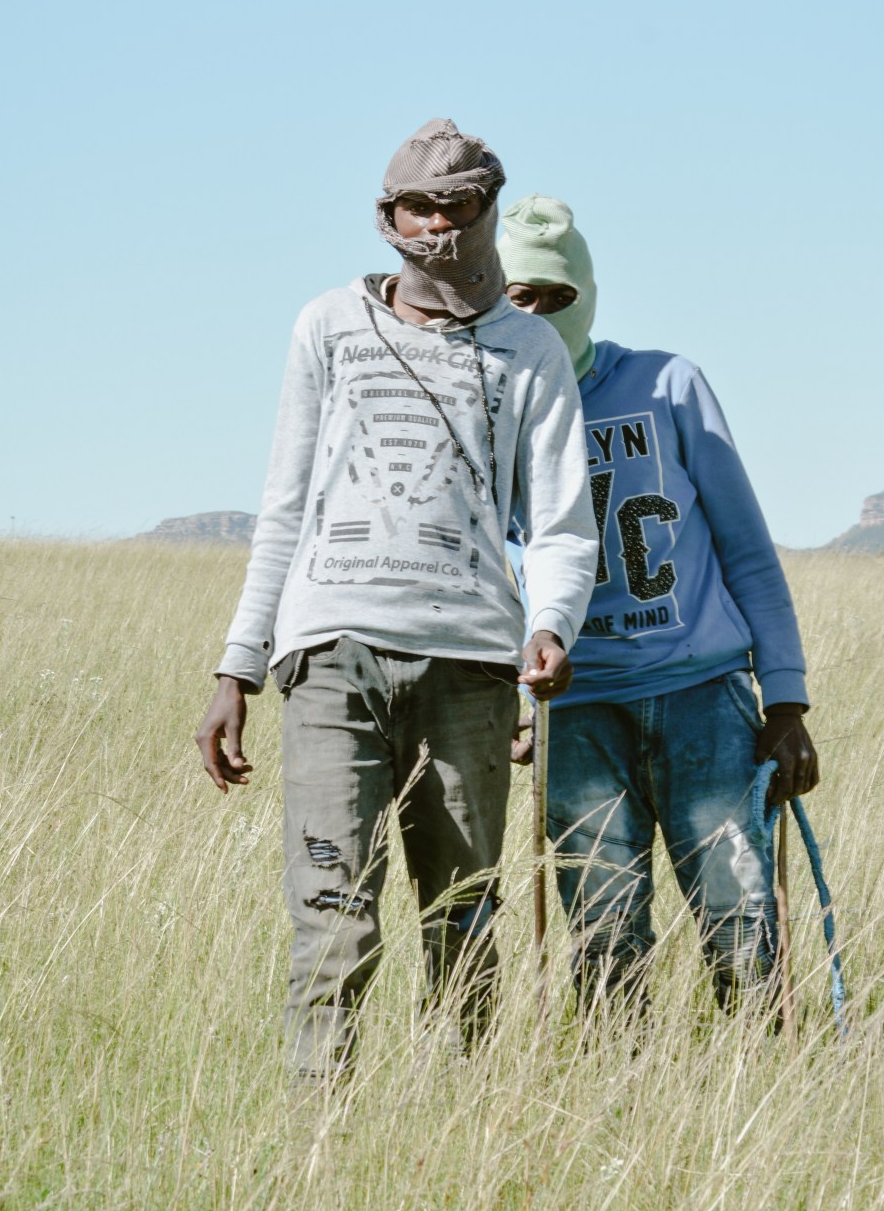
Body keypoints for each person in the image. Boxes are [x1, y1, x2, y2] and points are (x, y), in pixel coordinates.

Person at [197, 125, 598, 1078]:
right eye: (416, 207)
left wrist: (550, 625)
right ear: (387, 219)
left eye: (457, 207)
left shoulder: (529, 347)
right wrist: (237, 665)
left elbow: (560, 522)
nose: (437, 226)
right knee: (333, 915)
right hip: (331, 651)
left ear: (487, 209)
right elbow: (285, 504)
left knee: (461, 917)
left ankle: (459, 1133)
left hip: (469, 661)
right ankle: (318, 1145)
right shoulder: (328, 325)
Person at [497, 194, 819, 1022]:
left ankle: (761, 1092)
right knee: (601, 928)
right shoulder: (498, 411)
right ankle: (620, 1104)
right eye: (515, 294)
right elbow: (493, 562)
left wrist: (783, 700)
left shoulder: (667, 383)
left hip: (702, 695)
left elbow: (745, 546)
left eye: (553, 295)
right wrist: (510, 691)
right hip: (577, 708)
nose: (534, 311)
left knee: (738, 911)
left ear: (587, 293)